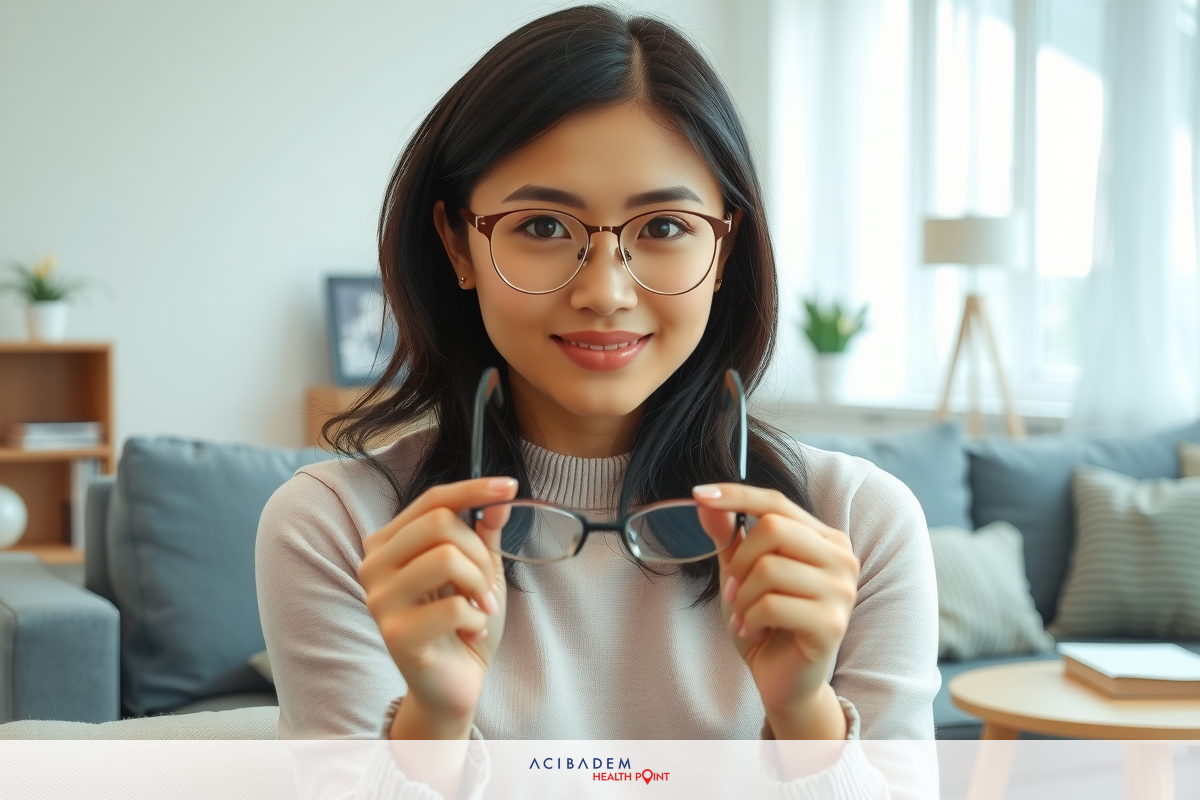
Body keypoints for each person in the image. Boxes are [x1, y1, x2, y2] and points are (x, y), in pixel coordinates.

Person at [256, 6, 939, 798]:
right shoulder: (337, 529)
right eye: (542, 224)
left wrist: (804, 719)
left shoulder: (859, 523)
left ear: (724, 249)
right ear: (456, 244)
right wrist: (431, 729)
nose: (605, 292)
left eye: (664, 226)